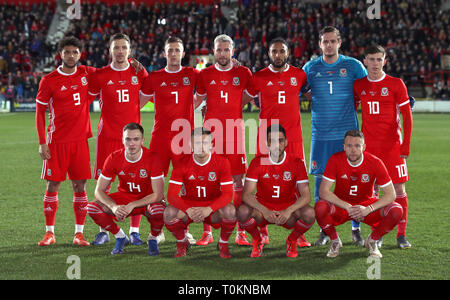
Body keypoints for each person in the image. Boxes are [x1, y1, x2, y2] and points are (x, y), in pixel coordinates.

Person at [302, 26, 368, 246]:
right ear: (319, 44)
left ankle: (355, 228)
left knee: (351, 183)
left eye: (332, 41)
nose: (328, 45)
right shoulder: (310, 68)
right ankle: (325, 229)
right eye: (324, 41)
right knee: (321, 184)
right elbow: (297, 90)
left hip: (346, 135)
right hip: (320, 135)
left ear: (340, 43)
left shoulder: (353, 66)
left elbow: (369, 89)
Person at [244, 37, 310, 247]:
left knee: (299, 181)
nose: (278, 55)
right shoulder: (259, 77)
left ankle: (299, 232)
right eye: (274, 51)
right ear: (269, 53)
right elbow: (243, 98)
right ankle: (261, 228)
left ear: (288, 53)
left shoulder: (299, 75)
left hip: (293, 137)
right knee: (262, 179)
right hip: (266, 137)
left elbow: (311, 93)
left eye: (282, 51)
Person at [88, 33, 149, 245]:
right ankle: (104, 230)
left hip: (131, 138)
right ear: (110, 50)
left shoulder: (139, 73)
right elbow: (86, 97)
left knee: (136, 183)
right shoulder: (100, 74)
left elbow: (147, 94)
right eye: (116, 47)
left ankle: (134, 231)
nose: (120, 51)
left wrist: (133, 109)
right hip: (107, 137)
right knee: (103, 185)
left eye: (124, 47)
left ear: (130, 50)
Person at [140, 36, 199, 245]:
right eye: (170, 50)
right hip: (160, 137)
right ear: (164, 53)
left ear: (183, 54)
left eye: (177, 50)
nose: (173, 53)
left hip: (183, 137)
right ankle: (156, 230)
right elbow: (136, 103)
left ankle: (183, 228)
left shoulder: (192, 74)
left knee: (185, 184)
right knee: (156, 184)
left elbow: (213, 78)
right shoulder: (154, 77)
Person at [194, 34, 252, 246]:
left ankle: (240, 231)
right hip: (211, 137)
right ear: (214, 51)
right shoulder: (205, 75)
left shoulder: (243, 72)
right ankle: (207, 232)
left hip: (234, 135)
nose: (222, 53)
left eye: (226, 50)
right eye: (219, 50)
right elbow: (196, 101)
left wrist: (236, 106)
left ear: (233, 51)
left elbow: (250, 95)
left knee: (238, 182)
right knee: (208, 180)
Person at [35, 36, 94, 247]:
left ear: (80, 54)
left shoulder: (87, 73)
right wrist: (42, 142)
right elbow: (40, 112)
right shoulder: (49, 80)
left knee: (80, 185)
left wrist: (133, 65)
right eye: (67, 52)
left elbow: (111, 71)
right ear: (60, 54)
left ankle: (79, 234)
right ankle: (49, 233)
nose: (71, 55)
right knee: (53, 185)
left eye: (75, 52)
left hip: (80, 142)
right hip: (57, 142)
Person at [354, 45, 413, 249]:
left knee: (398, 190)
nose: (376, 64)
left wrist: (405, 147)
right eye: (372, 59)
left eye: (379, 59)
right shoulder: (359, 85)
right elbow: (351, 110)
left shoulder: (396, 84)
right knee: (371, 192)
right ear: (365, 62)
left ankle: (401, 234)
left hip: (392, 149)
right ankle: (376, 233)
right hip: (368, 150)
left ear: (385, 61)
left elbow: (407, 117)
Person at [315, 130, 403, 258]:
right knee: (320, 207)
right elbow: (323, 191)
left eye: (357, 146)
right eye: (349, 146)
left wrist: (368, 209)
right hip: (342, 207)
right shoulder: (335, 159)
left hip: (366, 206)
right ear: (344, 147)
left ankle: (373, 240)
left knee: (396, 210)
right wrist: (347, 206)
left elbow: (391, 195)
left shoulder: (375, 162)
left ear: (364, 147)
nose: (353, 150)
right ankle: (334, 240)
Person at [87, 123, 165, 255]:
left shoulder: (153, 158)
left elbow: (158, 194)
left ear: (142, 141)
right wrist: (113, 207)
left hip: (147, 200)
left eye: (136, 139)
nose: (132, 143)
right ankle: (120, 237)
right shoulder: (113, 158)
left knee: (158, 210)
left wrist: (132, 205)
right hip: (125, 197)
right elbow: (98, 190)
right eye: (128, 139)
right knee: (92, 207)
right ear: (122, 140)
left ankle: (153, 238)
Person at [238, 124, 315, 258]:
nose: (276, 145)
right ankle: (257, 239)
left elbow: (306, 196)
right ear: (267, 143)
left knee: (309, 213)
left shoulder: (296, 162)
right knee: (242, 211)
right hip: (263, 211)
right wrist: (265, 210)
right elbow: (246, 195)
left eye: (280, 140)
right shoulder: (258, 162)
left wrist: (289, 210)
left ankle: (292, 240)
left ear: (285, 142)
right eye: (272, 141)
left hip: (287, 211)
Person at [164, 128, 237, 258]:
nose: (201, 146)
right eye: (197, 143)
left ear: (211, 145)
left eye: (205, 143)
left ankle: (223, 243)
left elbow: (227, 194)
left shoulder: (222, 162)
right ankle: (182, 242)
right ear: (190, 145)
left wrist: (209, 209)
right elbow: (171, 195)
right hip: (189, 206)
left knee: (230, 211)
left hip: (212, 207)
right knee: (168, 213)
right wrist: (189, 209)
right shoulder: (182, 163)